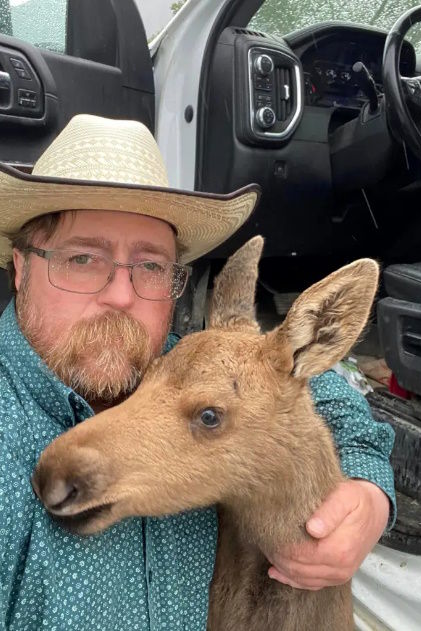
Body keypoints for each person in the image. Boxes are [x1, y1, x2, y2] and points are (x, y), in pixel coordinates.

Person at [0, 114, 395, 629]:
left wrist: (368, 492)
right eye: (82, 259)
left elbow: (309, 390)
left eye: (150, 266)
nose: (121, 295)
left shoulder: (170, 356)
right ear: (22, 266)